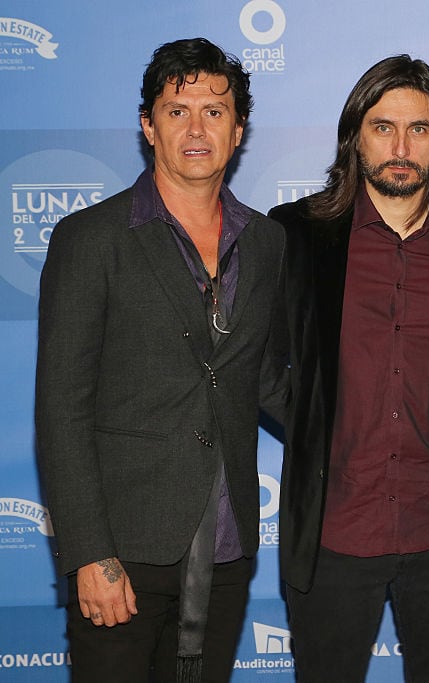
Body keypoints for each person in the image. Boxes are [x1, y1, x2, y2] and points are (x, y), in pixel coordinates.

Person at [35, 38, 287, 682]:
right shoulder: (91, 239)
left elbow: (261, 376)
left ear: (238, 129)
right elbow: (61, 410)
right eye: (178, 111)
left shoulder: (266, 242)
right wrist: (90, 553)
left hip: (226, 545)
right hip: (124, 546)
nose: (197, 128)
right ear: (149, 126)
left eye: (214, 110)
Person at [268, 55, 429, 682]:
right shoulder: (294, 235)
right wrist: (316, 420)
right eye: (383, 126)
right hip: (334, 531)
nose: (401, 146)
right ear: (355, 136)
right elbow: (257, 365)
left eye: (420, 129)